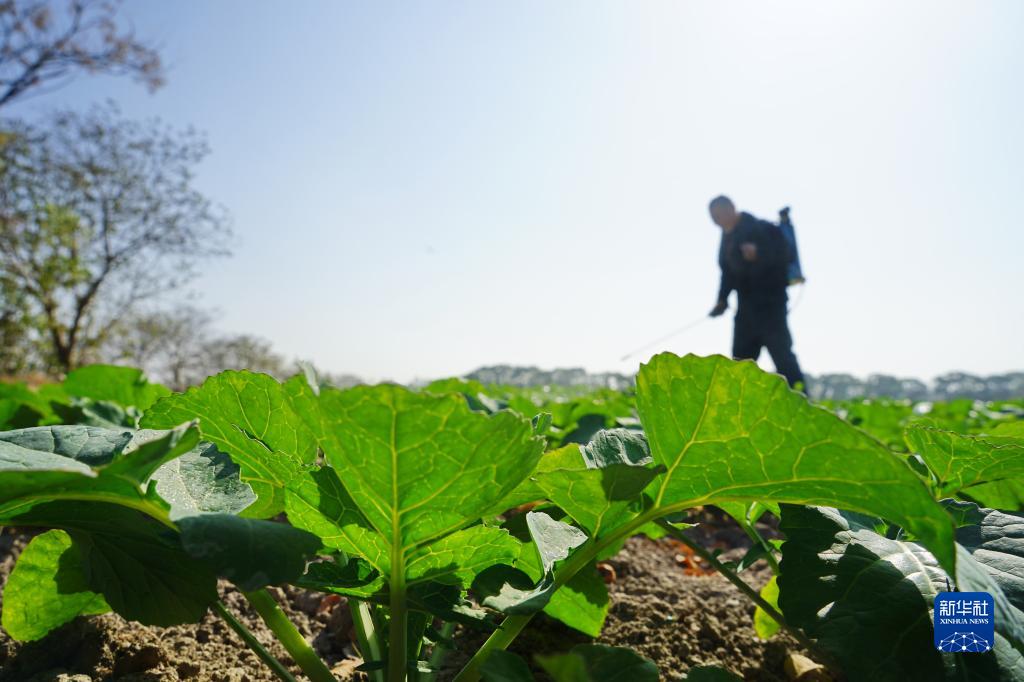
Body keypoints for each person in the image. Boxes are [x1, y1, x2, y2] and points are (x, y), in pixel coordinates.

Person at [707, 195, 805, 388]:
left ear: (732, 208)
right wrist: (722, 300)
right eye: (714, 217)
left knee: (783, 358)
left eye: (720, 214)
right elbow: (727, 275)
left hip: (771, 307)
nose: (718, 220)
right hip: (745, 310)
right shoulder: (727, 239)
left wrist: (758, 254)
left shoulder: (763, 228)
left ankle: (804, 405)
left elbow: (783, 256)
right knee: (739, 364)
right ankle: (733, 411)